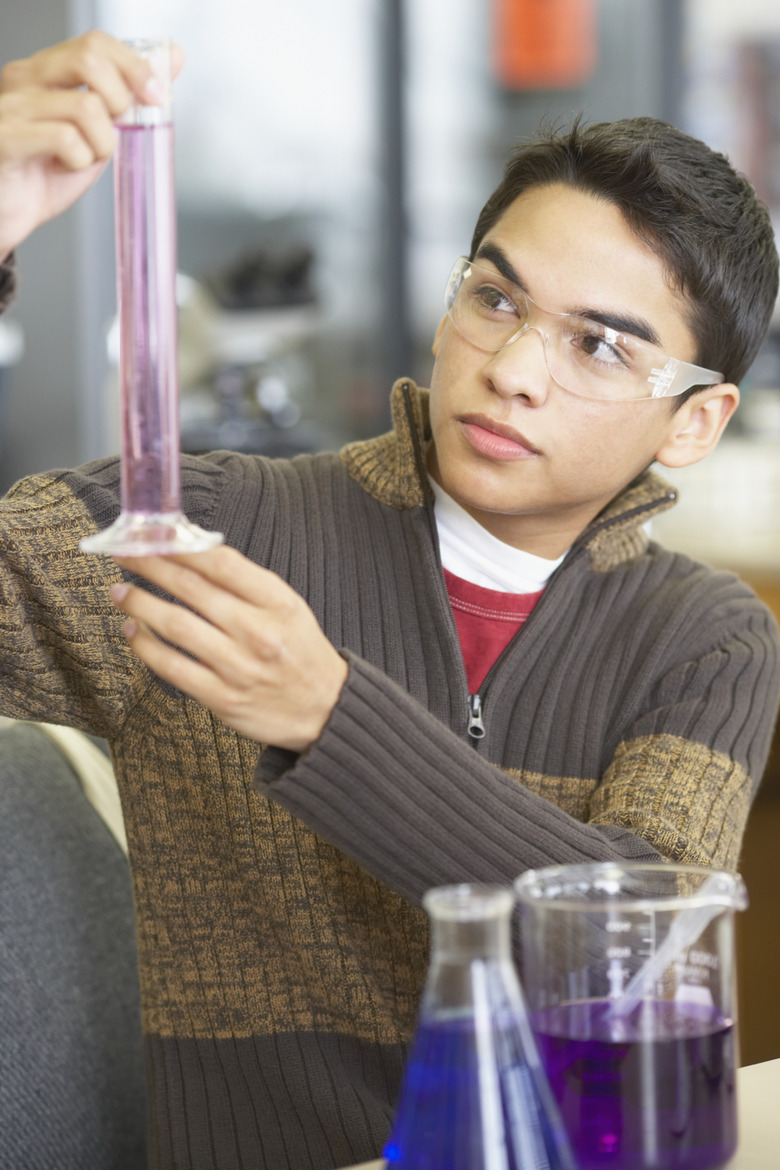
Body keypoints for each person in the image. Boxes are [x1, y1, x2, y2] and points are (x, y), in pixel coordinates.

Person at [1, 29, 779, 1170]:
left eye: (601, 348)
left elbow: (644, 949)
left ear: (695, 421)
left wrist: (331, 716)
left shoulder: (707, 640)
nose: (516, 370)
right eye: (497, 302)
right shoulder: (207, 531)